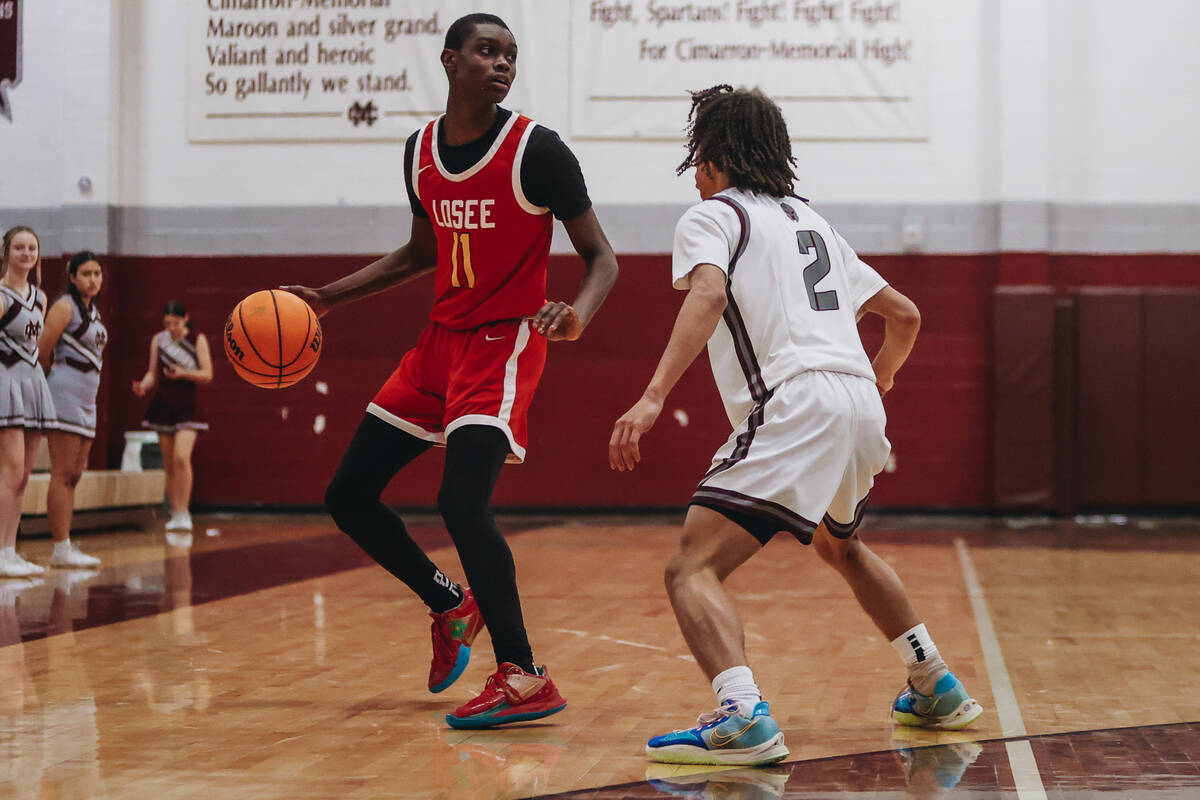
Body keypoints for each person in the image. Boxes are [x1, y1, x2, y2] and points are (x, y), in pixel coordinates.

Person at [609, 86, 983, 766]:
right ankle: (935, 684)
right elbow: (905, 316)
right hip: (860, 402)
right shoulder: (815, 224)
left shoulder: (712, 215)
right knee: (840, 545)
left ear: (715, 158)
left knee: (691, 566)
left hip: (795, 402)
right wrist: (884, 375)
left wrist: (654, 394)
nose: (695, 172)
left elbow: (710, 292)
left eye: (697, 157)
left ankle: (741, 715)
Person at [283, 13, 618, 729]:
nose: (502, 64)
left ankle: (525, 673)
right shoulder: (420, 152)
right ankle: (449, 604)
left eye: (510, 55)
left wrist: (579, 313)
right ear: (449, 59)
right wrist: (328, 299)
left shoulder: (537, 150)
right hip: (438, 343)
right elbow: (421, 252)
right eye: (487, 51)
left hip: (503, 343)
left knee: (462, 502)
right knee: (348, 495)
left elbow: (603, 257)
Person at [38, 251, 107, 567]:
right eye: (86, 273)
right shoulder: (64, 306)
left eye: (97, 273)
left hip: (87, 399)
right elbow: (42, 350)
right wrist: (57, 383)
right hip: (65, 393)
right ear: (72, 277)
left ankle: (64, 543)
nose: (93, 279)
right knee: (62, 473)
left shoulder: (94, 312)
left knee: (76, 474)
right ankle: (60, 546)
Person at [0, 226, 54, 578]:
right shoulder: (1, 295)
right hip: (5, 382)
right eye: (18, 247)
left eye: (31, 247)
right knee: (11, 471)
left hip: (32, 383)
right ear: (6, 252)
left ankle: (10, 550)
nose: (25, 253)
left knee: (24, 477)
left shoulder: (41, 297)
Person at [132, 301, 212, 534]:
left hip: (188, 403)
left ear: (185, 318)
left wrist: (183, 373)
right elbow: (152, 373)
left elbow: (207, 374)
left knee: (181, 457)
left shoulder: (198, 339)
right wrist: (143, 387)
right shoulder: (159, 340)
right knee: (169, 464)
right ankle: (175, 512)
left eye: (176, 323)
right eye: (167, 324)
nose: (172, 328)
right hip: (164, 404)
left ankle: (185, 512)